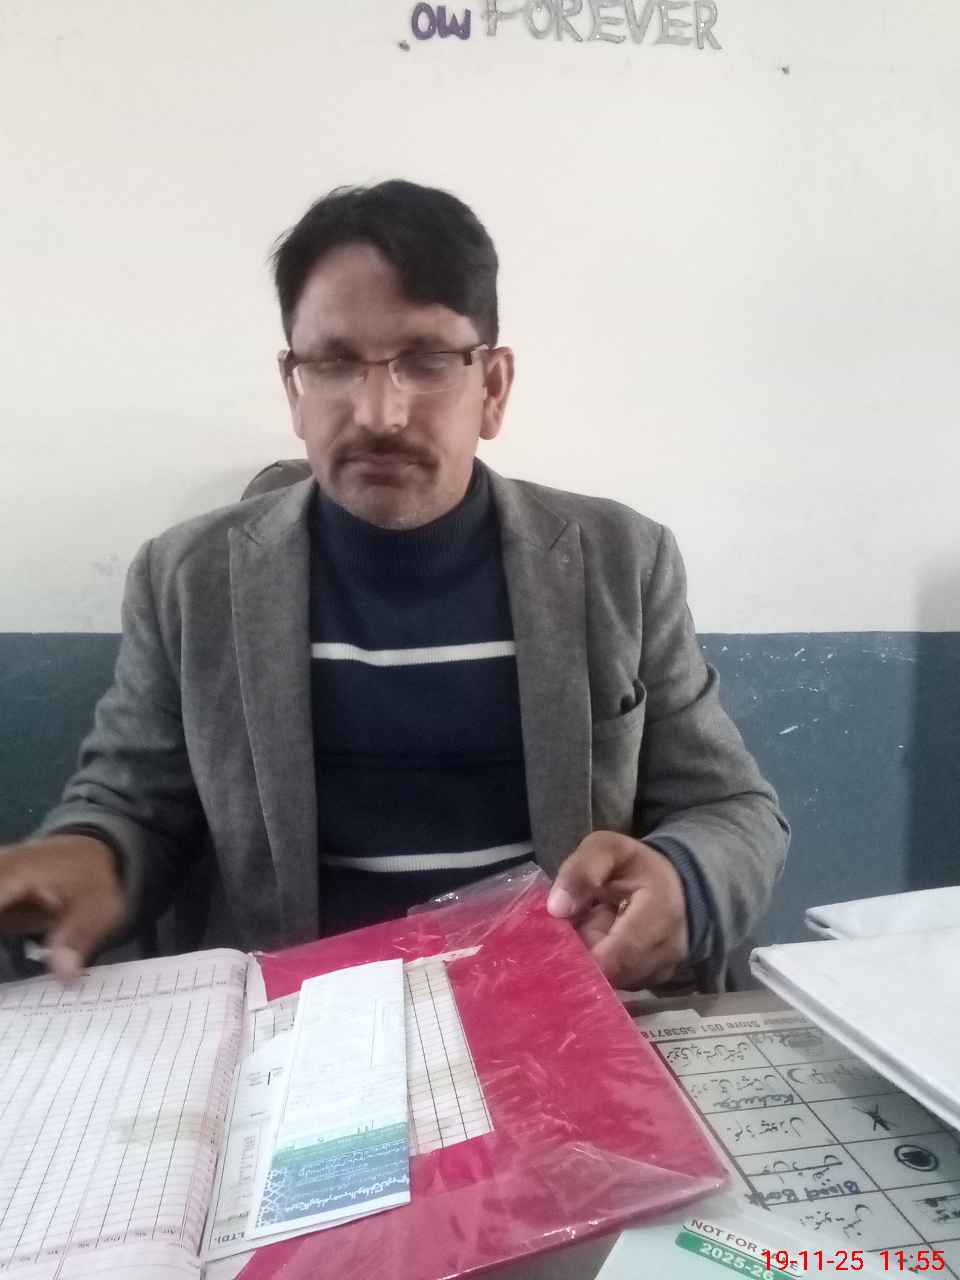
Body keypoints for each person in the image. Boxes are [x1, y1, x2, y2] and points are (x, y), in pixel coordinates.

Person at [0, 180, 788, 991]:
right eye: (334, 364)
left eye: (427, 360)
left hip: (555, 1009)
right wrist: (92, 852)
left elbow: (731, 809)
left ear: (493, 387)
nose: (380, 413)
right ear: (294, 388)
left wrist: (684, 882)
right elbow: (133, 807)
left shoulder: (619, 561)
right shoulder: (188, 581)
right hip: (302, 1022)